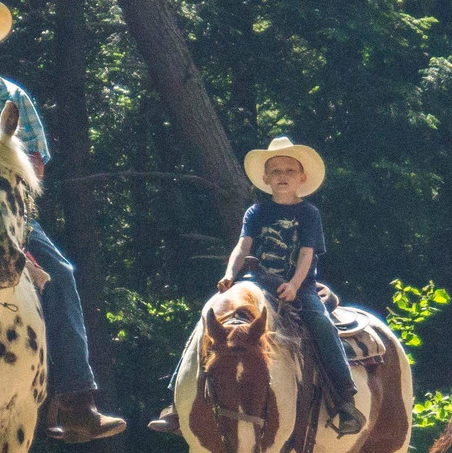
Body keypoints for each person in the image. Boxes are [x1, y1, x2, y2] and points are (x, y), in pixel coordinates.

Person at [150, 137, 366, 435]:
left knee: (320, 323)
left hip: (299, 286)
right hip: (256, 281)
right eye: (275, 171)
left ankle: (344, 399)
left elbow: (307, 254)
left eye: (289, 171)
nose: (282, 176)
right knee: (209, 316)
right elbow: (243, 246)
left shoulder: (308, 214)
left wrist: (293, 285)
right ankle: (177, 402)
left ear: (301, 178)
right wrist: (229, 274)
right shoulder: (256, 212)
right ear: (265, 178)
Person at [0, 0, 126, 442]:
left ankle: (76, 399)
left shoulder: (13, 97)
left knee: (62, 274)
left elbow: (36, 165)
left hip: (7, 211)